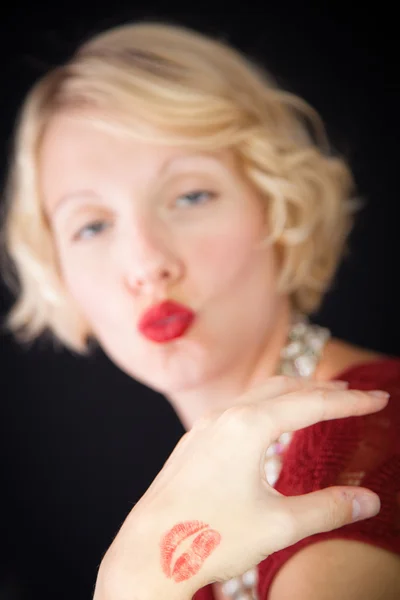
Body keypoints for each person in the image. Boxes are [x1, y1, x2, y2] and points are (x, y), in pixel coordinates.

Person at [1, 20, 399, 600]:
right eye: (92, 225)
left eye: (190, 195)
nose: (147, 263)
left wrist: (131, 587)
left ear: (278, 206)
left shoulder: (372, 446)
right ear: (59, 276)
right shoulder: (204, 490)